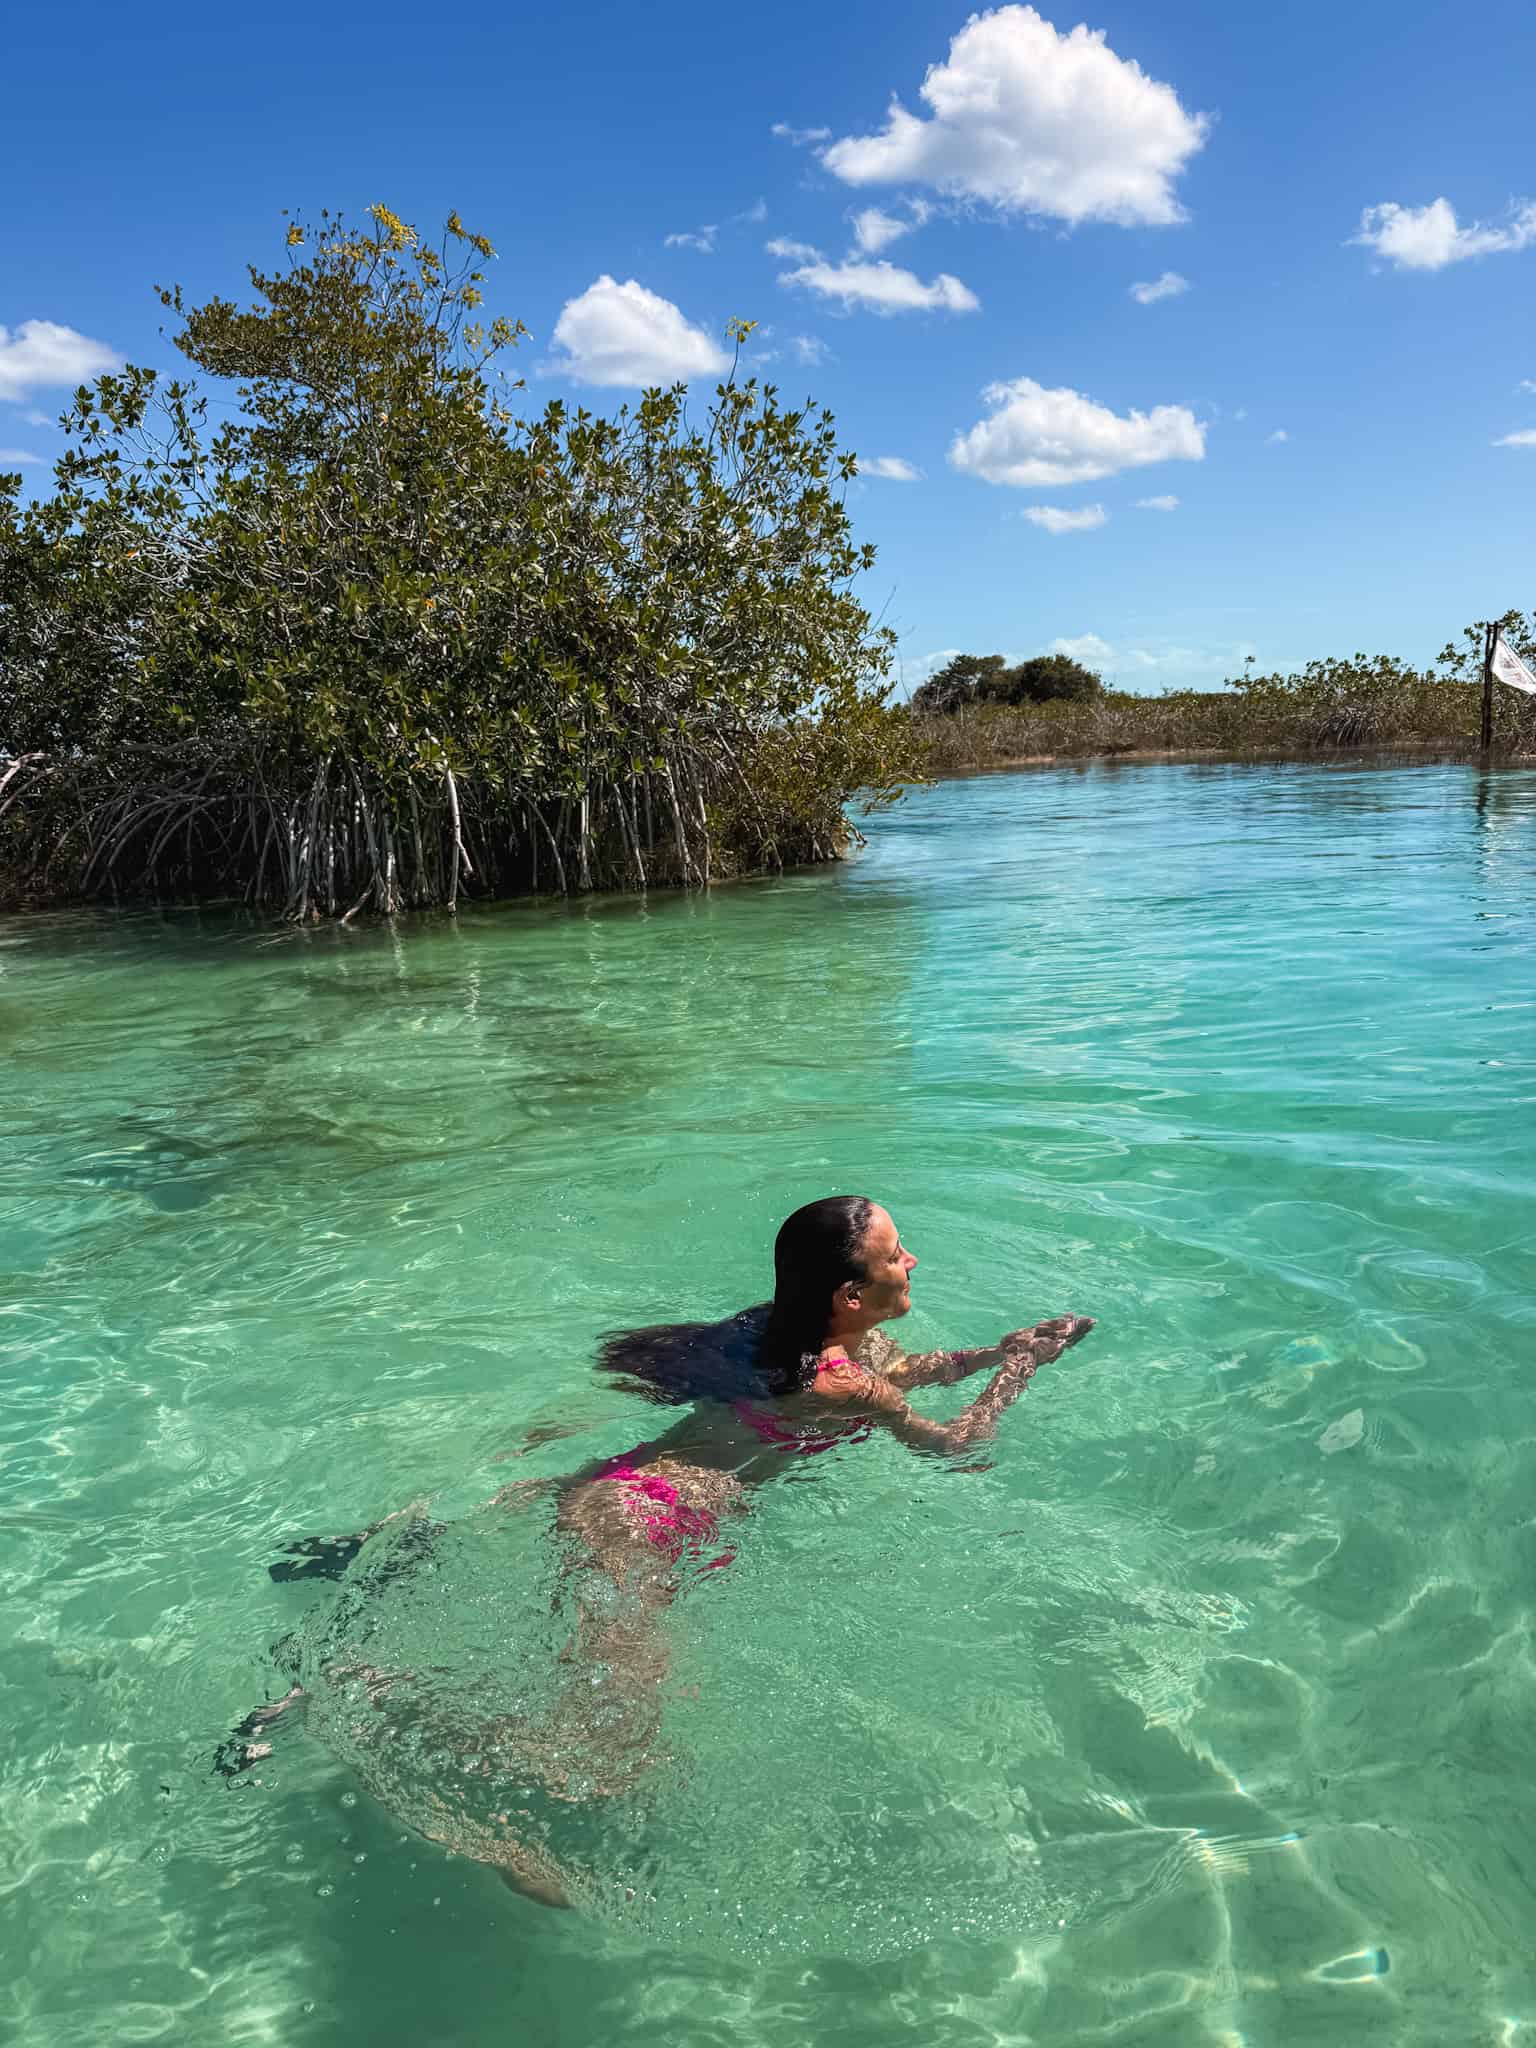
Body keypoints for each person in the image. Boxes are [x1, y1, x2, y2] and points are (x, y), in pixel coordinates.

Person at [219, 1197, 1093, 1908]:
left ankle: (378, 1559)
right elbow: (955, 1447)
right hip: (644, 1526)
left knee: (522, 1595)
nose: (914, 1264)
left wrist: (996, 1348)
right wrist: (1020, 1376)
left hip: (615, 1484)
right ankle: (357, 1699)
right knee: (609, 1761)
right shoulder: (843, 1377)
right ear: (849, 1298)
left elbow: (899, 1372)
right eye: (897, 1256)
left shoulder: (792, 1336)